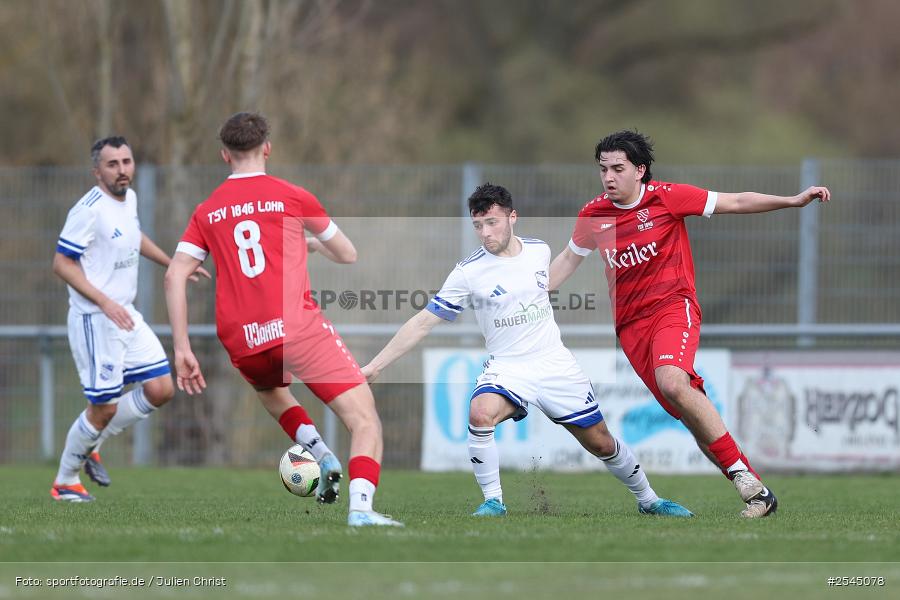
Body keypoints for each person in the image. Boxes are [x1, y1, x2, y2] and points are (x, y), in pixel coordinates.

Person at [362, 183, 693, 518]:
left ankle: (649, 500)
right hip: (508, 367)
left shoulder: (539, 251)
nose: (485, 233)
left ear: (512, 218)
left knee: (601, 442)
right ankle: (493, 502)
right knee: (480, 413)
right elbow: (423, 322)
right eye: (478, 225)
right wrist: (375, 366)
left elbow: (554, 275)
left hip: (555, 364)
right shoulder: (468, 272)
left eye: (492, 222)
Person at [550, 130, 831, 518]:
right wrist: (528, 291)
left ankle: (746, 479)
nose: (609, 177)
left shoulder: (667, 197)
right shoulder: (593, 215)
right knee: (688, 411)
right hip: (630, 327)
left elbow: (736, 201)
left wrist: (792, 200)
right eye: (603, 169)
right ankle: (758, 494)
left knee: (672, 382)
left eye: (618, 168)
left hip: (673, 307)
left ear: (640, 170)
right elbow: (568, 259)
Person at [164, 112, 402, 527]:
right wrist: (314, 244)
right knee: (364, 420)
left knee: (270, 390)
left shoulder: (207, 211)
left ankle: (321, 455)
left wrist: (182, 347)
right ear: (267, 148)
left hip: (242, 336)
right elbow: (348, 254)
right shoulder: (292, 196)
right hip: (296, 328)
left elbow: (174, 275)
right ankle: (361, 510)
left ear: (225, 155)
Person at [51, 136, 210, 502]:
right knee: (104, 407)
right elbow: (61, 263)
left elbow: (133, 237)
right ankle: (65, 481)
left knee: (161, 388)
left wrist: (173, 264)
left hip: (126, 314)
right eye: (112, 164)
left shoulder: (130, 199)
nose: (122, 170)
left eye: (126, 161)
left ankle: (93, 441)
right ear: (97, 172)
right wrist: (105, 302)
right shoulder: (88, 210)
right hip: (96, 319)